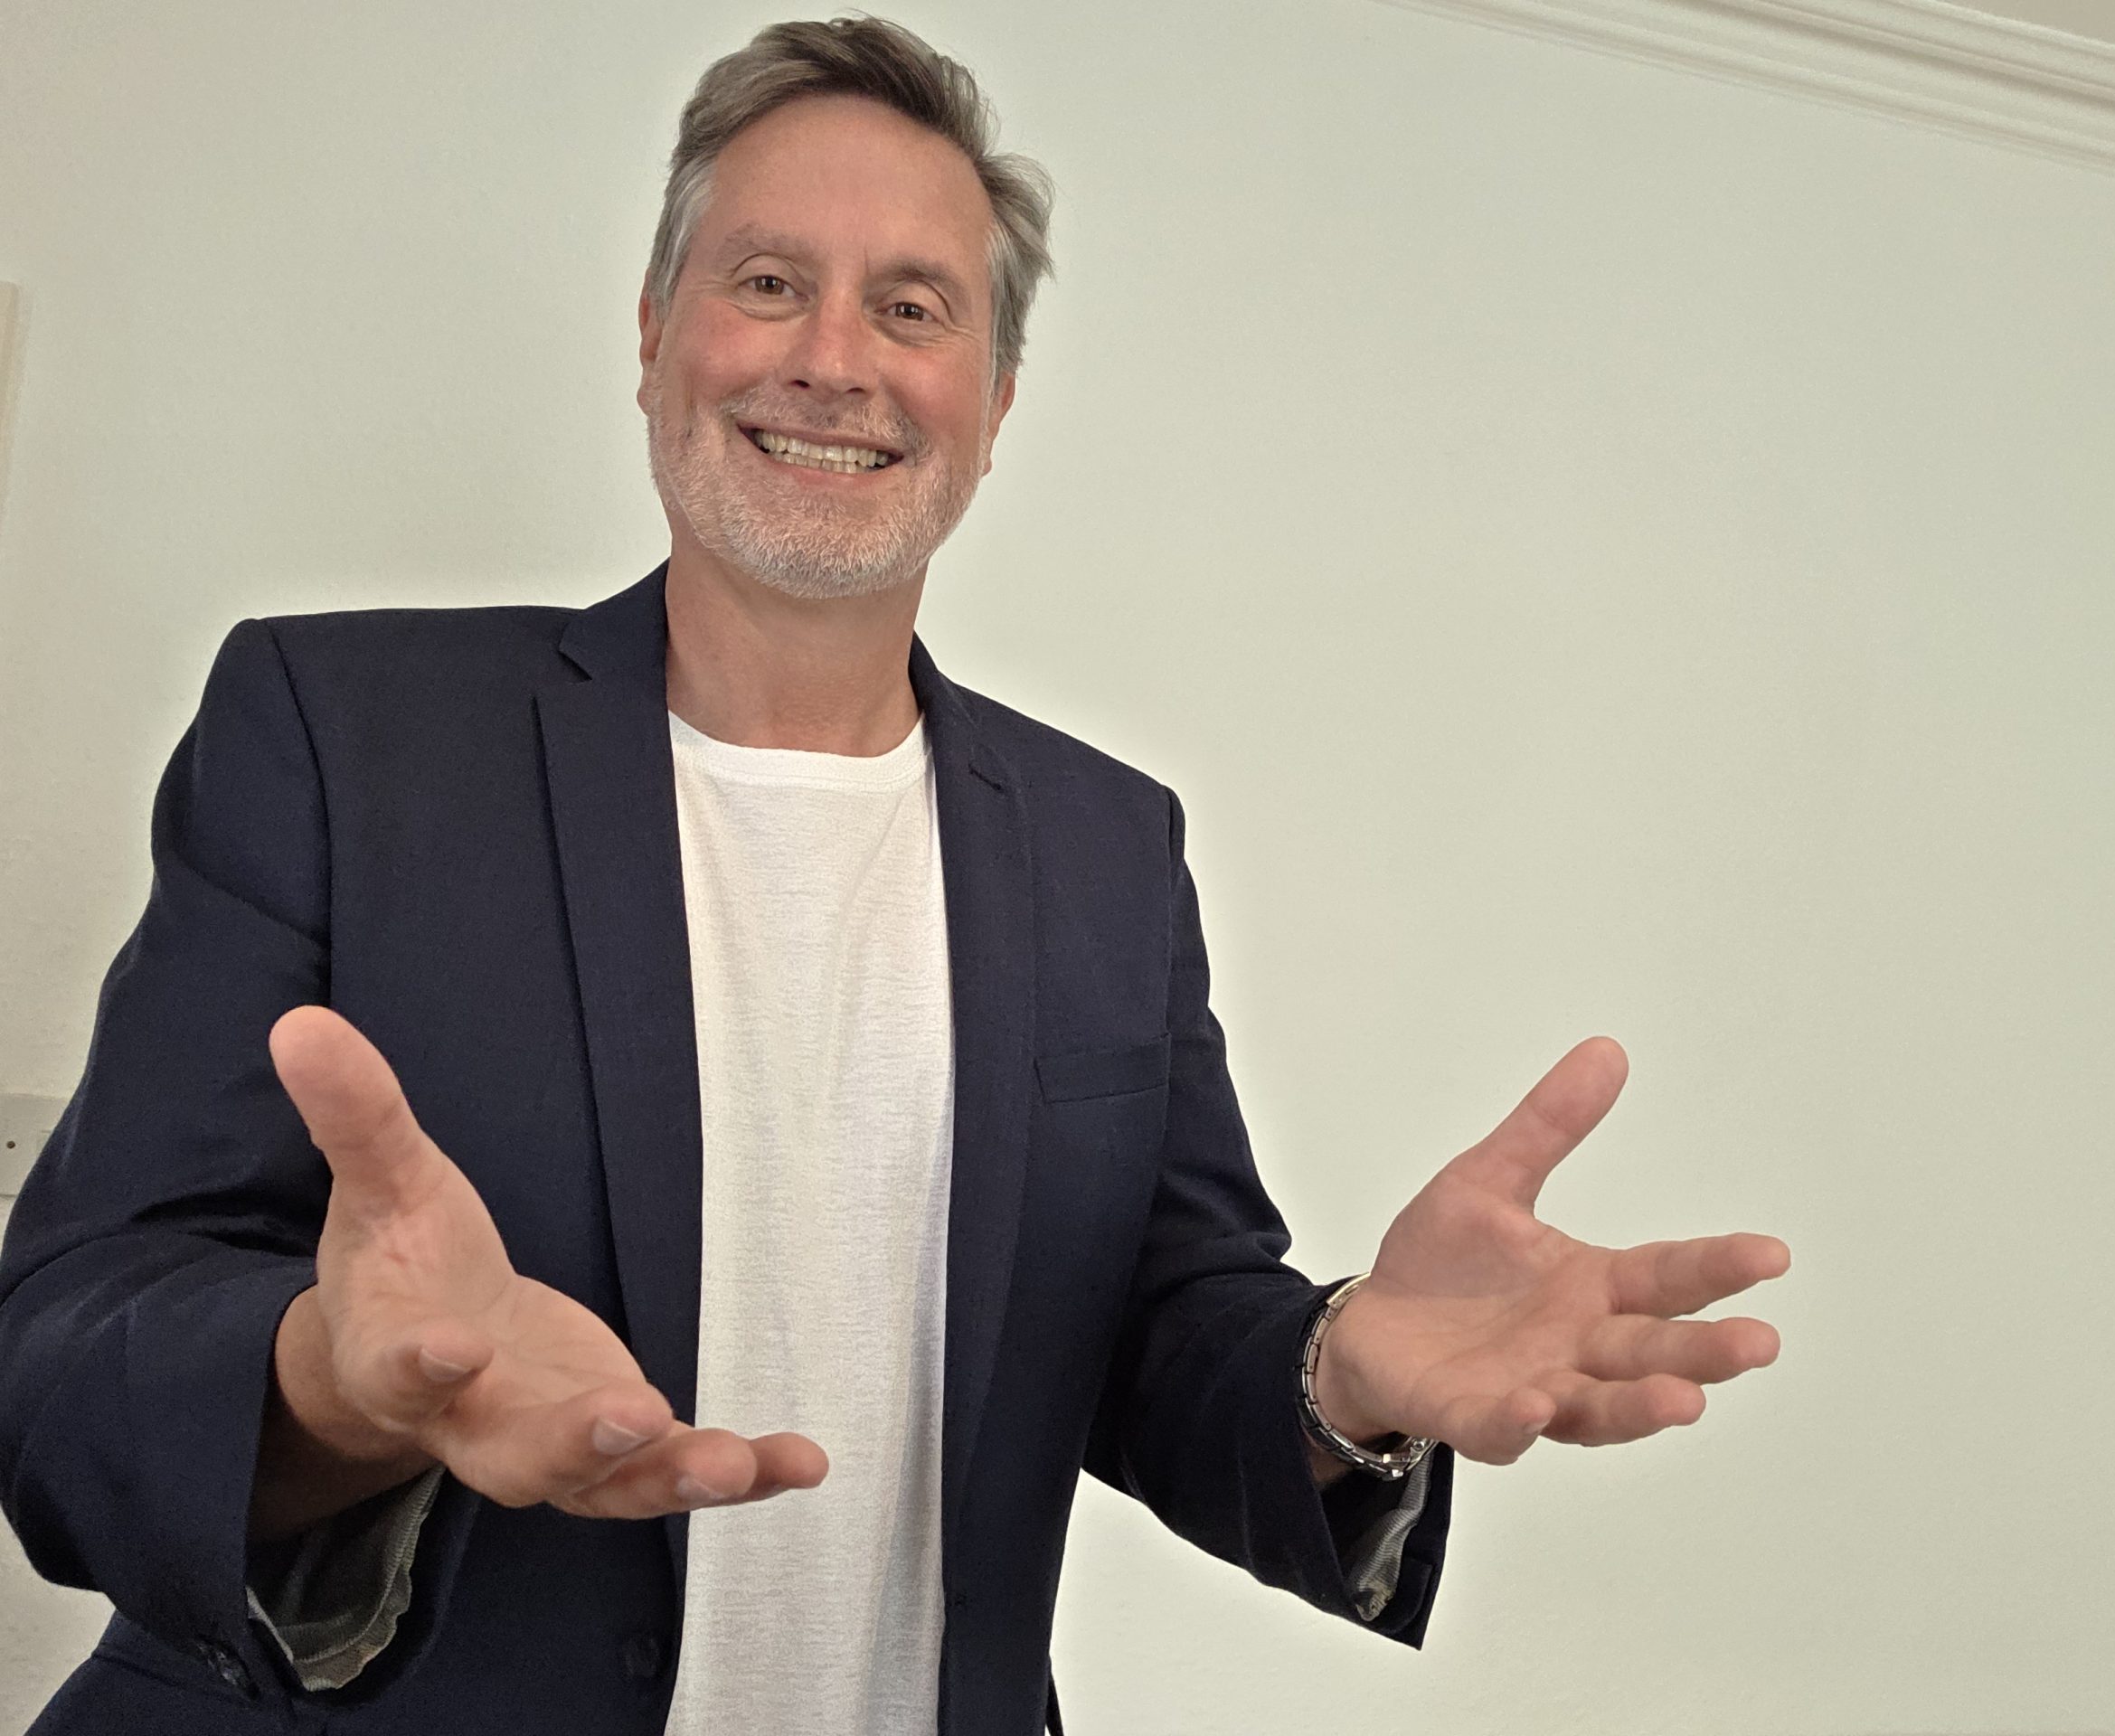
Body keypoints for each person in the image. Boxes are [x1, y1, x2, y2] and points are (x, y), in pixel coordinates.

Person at [0, 17, 1790, 1735]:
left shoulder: (1106, 846)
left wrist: (1339, 1377)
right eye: (766, 281)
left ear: (992, 402)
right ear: (652, 334)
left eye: (910, 306)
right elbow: (71, 1339)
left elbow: (1162, 1324)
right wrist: (330, 1379)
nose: (831, 358)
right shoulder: (339, 735)